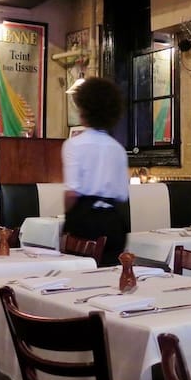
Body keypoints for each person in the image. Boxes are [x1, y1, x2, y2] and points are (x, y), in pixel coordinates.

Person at [62, 77, 129, 266]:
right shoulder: (118, 148)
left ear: (84, 109)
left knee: (79, 274)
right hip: (114, 222)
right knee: (110, 277)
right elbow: (123, 195)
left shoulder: (74, 145)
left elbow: (72, 192)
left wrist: (69, 217)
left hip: (84, 221)